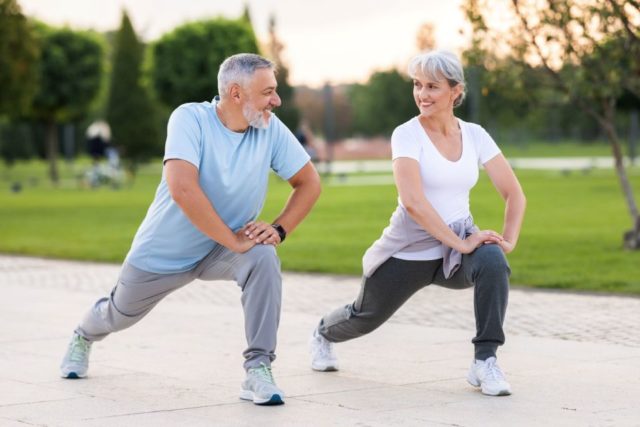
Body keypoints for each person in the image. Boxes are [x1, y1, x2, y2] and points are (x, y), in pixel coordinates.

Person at [60, 53, 321, 406]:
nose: (276, 101)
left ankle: (258, 369)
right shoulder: (189, 119)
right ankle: (82, 335)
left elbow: (308, 183)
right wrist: (232, 238)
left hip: (223, 251)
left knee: (263, 258)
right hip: (166, 252)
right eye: (268, 92)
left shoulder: (269, 128)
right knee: (118, 314)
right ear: (235, 93)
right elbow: (183, 188)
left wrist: (278, 229)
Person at [309, 50, 526, 396]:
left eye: (432, 87)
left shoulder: (475, 135)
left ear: (455, 91)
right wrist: (463, 243)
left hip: (455, 250)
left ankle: (484, 361)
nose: (422, 94)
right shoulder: (407, 135)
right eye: (417, 85)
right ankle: (322, 333)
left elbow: (514, 193)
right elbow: (414, 202)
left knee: (493, 261)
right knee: (365, 317)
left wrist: (508, 241)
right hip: (409, 251)